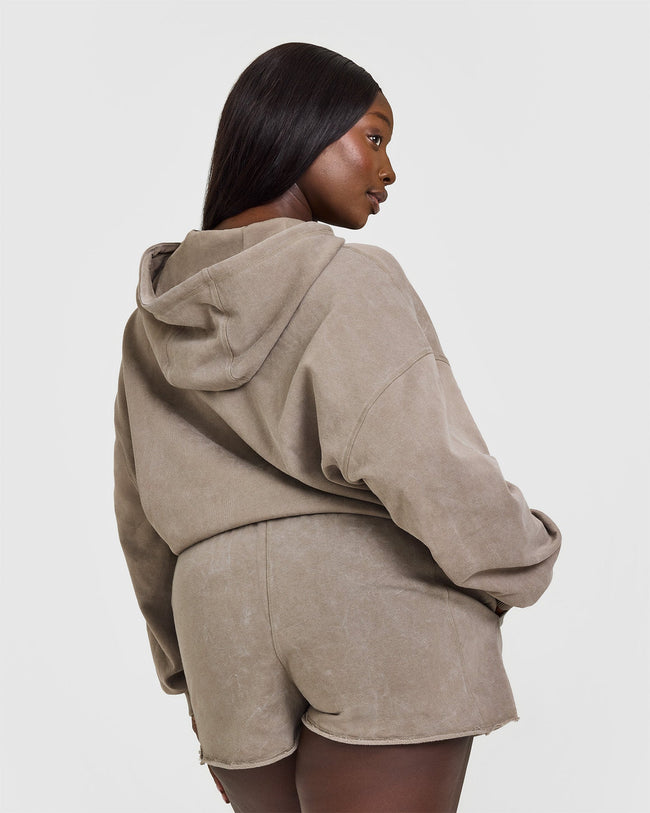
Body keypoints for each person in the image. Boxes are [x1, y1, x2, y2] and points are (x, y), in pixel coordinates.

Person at [113, 42, 562, 812]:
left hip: (220, 619)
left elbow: (141, 520)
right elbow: (425, 461)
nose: (388, 170)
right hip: (370, 601)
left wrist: (189, 665)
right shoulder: (350, 277)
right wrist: (521, 556)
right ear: (299, 129)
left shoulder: (153, 323)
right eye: (374, 137)